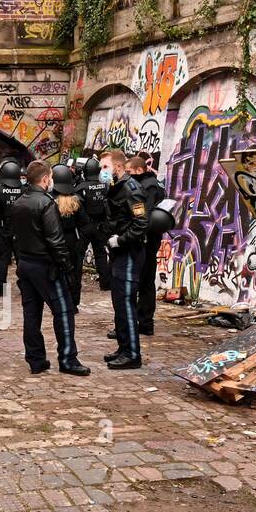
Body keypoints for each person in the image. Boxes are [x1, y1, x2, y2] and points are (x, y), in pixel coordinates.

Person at [7, 161, 89, 377]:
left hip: (25, 264)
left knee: (31, 314)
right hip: (45, 266)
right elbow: (55, 240)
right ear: (45, 179)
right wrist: (67, 267)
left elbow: (14, 235)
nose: (52, 181)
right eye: (50, 177)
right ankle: (68, 359)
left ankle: (36, 359)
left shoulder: (19, 202)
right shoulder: (46, 203)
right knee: (63, 312)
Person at [101, 152, 149, 370]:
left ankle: (132, 354)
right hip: (119, 253)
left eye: (105, 166)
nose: (102, 171)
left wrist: (120, 240)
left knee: (127, 303)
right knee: (118, 302)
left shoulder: (132, 190)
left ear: (118, 166)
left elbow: (141, 223)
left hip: (129, 252)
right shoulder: (116, 186)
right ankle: (123, 347)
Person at [51, 163, 91, 311]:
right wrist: (82, 243)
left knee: (57, 271)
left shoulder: (49, 200)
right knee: (74, 271)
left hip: (55, 240)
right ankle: (73, 303)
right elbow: (86, 224)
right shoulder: (77, 200)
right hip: (73, 239)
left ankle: (59, 301)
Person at [135, 153, 166, 336]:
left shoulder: (148, 187)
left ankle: (142, 322)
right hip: (149, 237)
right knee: (144, 282)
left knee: (142, 282)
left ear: (139, 170)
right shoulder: (153, 184)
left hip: (145, 239)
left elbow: (141, 213)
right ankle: (142, 321)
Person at [0, 160, 24, 298]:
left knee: (2, 259)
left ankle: (0, 288)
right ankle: (25, 286)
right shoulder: (24, 191)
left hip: (3, 228)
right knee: (21, 259)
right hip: (20, 229)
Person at [78, 157, 111, 291]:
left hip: (85, 226)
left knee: (78, 255)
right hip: (100, 225)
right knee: (101, 255)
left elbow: (77, 207)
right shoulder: (106, 186)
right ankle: (105, 283)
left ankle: (75, 282)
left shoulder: (80, 187)